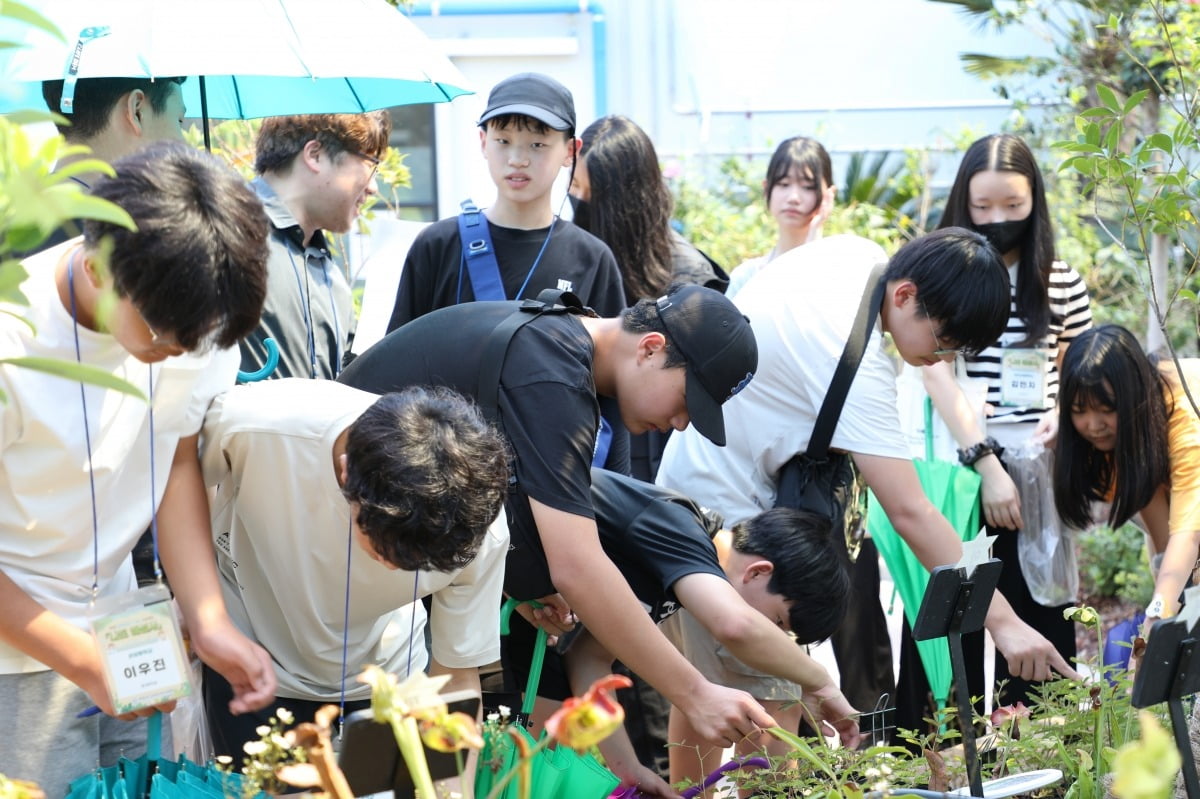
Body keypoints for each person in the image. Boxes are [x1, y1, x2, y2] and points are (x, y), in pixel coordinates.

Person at [657, 229, 1080, 749]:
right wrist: (1004, 621)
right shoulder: (852, 357)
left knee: (705, 694)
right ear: (905, 296)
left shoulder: (857, 256)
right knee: (772, 709)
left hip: (690, 498)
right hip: (728, 529)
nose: (943, 360)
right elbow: (910, 511)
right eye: (943, 343)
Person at [340, 282, 776, 752]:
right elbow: (578, 566)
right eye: (689, 400)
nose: (682, 422)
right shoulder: (553, 374)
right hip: (341, 531)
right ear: (652, 349)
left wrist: (519, 583)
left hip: (380, 541)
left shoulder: (562, 347)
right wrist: (696, 695)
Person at [0, 141, 276, 796]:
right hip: (17, 654)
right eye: (163, 335)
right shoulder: (14, 342)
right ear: (99, 267)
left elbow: (172, 457)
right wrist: (80, 661)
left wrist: (207, 618)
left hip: (126, 626)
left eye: (198, 340)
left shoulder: (192, 320)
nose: (179, 350)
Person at [200, 379, 510, 760]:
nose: (395, 571)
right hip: (251, 663)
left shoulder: (477, 527)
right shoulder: (262, 423)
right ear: (347, 473)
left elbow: (456, 679)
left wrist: (452, 787)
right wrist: (199, 605)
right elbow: (174, 475)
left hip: (385, 679)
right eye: (385, 552)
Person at [909, 133, 1093, 722]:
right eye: (982, 207)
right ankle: (948, 754)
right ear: (962, 201)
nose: (996, 220)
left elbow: (1072, 368)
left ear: (1034, 201)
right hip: (964, 470)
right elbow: (935, 374)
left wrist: (1060, 414)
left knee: (1044, 612)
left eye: (1012, 207)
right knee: (957, 619)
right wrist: (986, 464)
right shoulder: (942, 276)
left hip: (1040, 468)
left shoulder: (1058, 280)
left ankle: (1045, 749)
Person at [561, 469, 858, 797]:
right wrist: (819, 680)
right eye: (775, 623)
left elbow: (587, 659)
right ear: (757, 572)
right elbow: (737, 626)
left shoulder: (672, 576)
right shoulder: (680, 534)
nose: (768, 637)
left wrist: (626, 767)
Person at [385, 72, 626, 331]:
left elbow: (609, 366)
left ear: (570, 152)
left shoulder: (592, 259)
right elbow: (398, 358)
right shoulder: (437, 246)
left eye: (537, 144)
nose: (517, 159)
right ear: (483, 142)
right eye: (503, 141)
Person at [1054, 325, 1200, 628]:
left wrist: (1156, 619)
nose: (1094, 425)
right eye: (1080, 410)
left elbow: (1188, 533)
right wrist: (1160, 615)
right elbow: (1167, 547)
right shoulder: (1132, 433)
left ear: (1131, 396)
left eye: (1106, 409)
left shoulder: (1183, 418)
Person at [242, 111, 391, 380]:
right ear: (315, 155)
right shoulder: (222, 229)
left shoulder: (331, 275)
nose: (373, 188)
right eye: (372, 164)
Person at [569, 114, 728, 305]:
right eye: (574, 185)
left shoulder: (686, 280)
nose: (579, 200)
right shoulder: (571, 251)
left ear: (629, 202)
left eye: (593, 194)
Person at [28, 77, 188, 252]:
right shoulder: (128, 248)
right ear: (137, 111)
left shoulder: (13, 218)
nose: (184, 142)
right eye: (179, 121)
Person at [725, 135, 836, 299]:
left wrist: (815, 235)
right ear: (766, 188)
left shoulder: (838, 273)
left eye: (807, 187)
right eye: (783, 184)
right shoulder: (745, 278)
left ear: (829, 194)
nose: (793, 197)